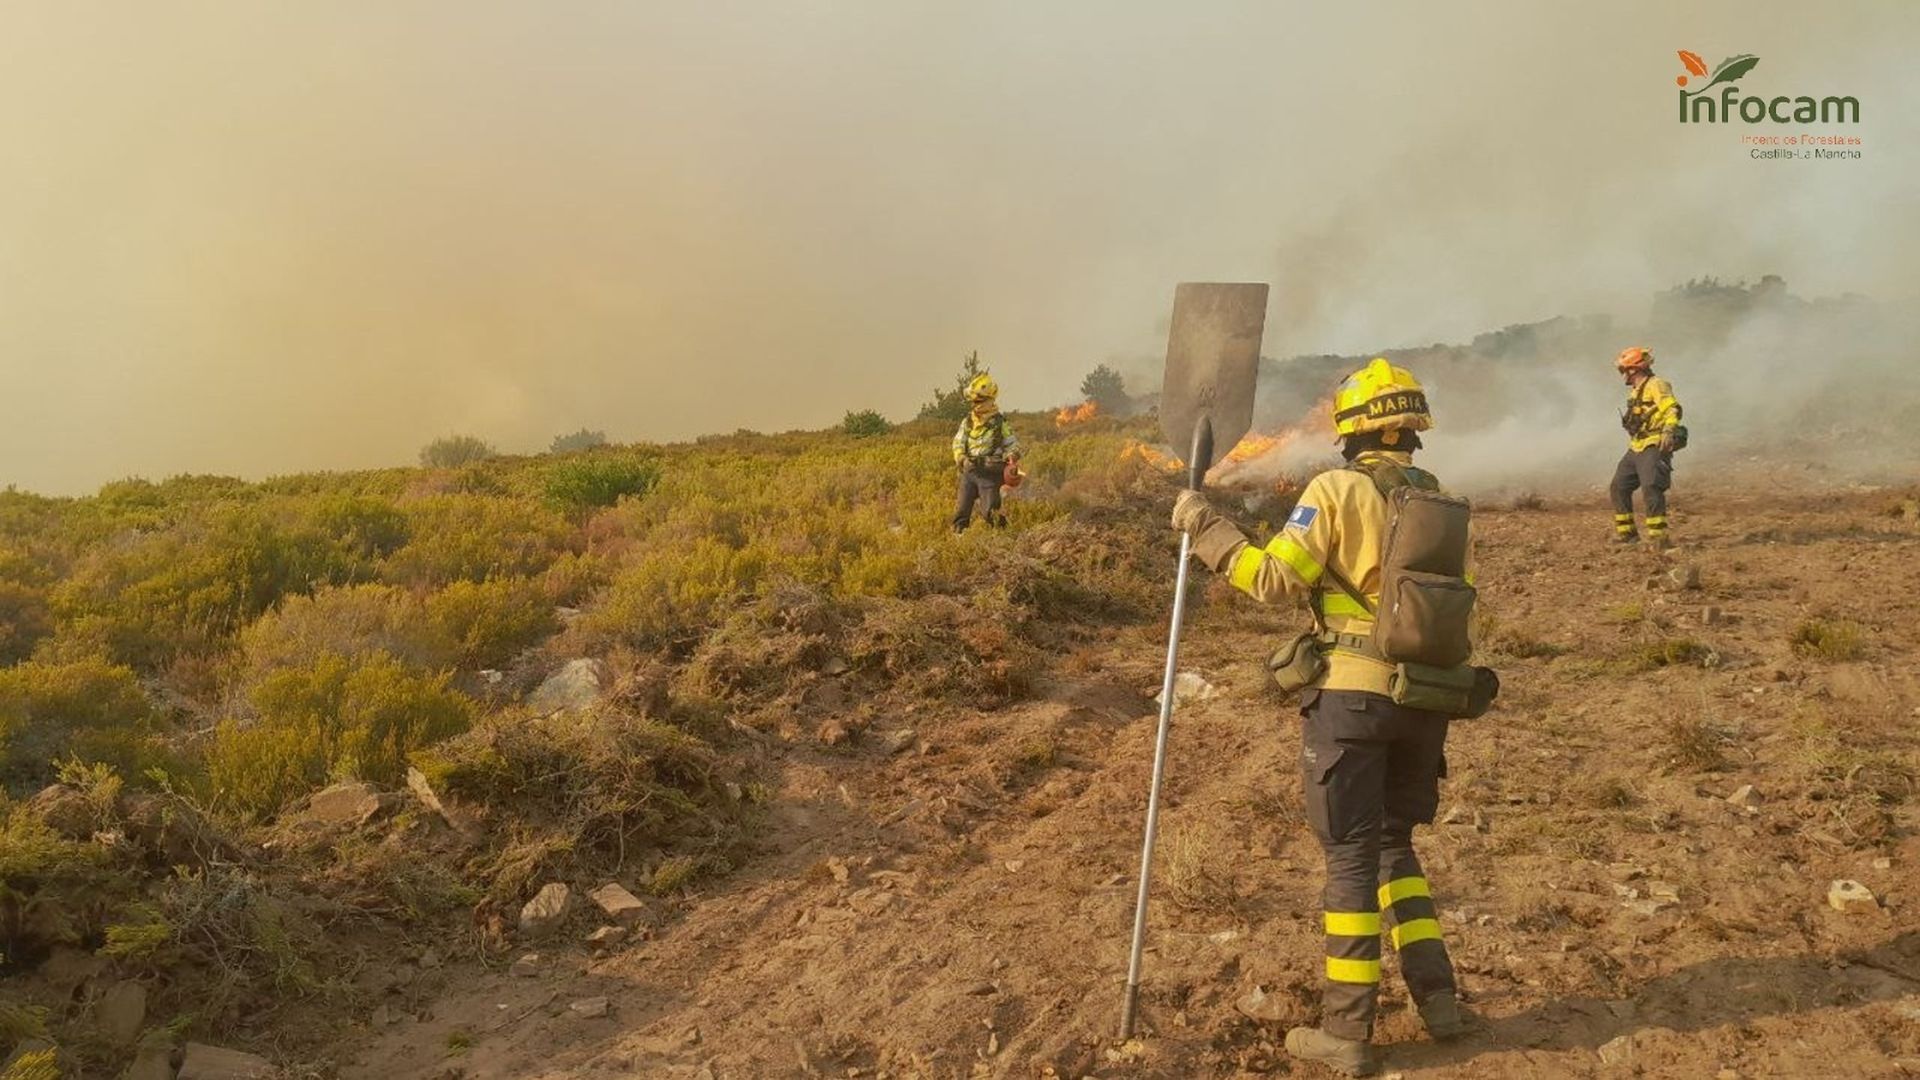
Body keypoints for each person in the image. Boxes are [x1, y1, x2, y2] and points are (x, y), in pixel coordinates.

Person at [1170, 358, 1470, 1077]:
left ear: (1353, 429)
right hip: (1425, 702)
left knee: (1351, 859)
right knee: (1396, 848)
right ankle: (1441, 1003)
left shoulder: (1335, 490)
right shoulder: (1444, 505)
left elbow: (1275, 580)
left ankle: (1347, 1031)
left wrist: (1206, 528)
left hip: (1351, 703)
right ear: (1411, 430)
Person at [1609, 346, 1683, 550]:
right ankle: (1628, 537)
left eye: (1624, 370)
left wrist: (1669, 430)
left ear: (1635, 369)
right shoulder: (1636, 390)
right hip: (1637, 445)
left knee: (1651, 486)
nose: (1623, 374)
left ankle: (1659, 539)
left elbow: (1671, 408)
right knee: (1619, 486)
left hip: (1654, 443)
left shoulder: (1656, 385)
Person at [951, 373, 1021, 533]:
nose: (976, 405)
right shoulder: (967, 421)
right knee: (961, 512)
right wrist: (961, 458)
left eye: (980, 401)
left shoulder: (1000, 422)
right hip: (969, 472)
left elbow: (1012, 444)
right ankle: (958, 540)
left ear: (990, 400)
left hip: (989, 474)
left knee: (990, 512)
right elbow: (958, 442)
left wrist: (1012, 456)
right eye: (974, 401)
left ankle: (1004, 536)